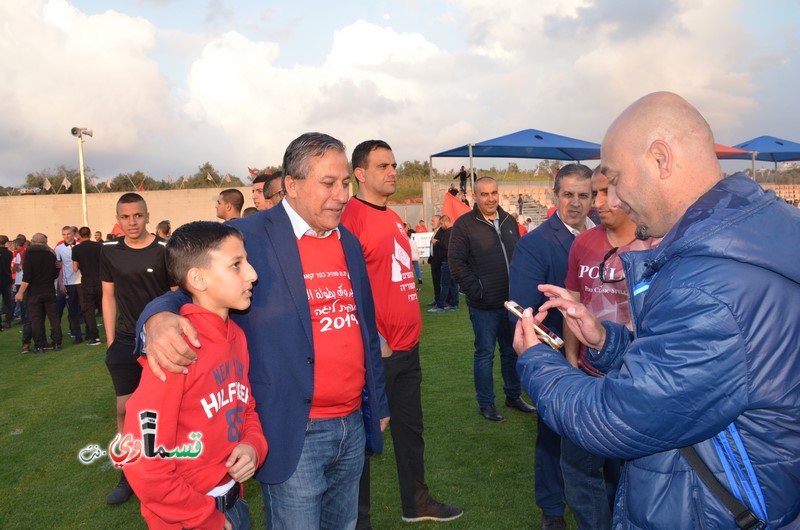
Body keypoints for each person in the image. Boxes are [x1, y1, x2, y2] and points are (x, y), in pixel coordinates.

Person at [514, 92, 800, 528]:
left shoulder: (713, 280)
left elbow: (617, 417)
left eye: (616, 178)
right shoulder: (741, 236)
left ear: (661, 159)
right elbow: (689, 368)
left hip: (710, 511)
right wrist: (608, 341)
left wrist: (536, 362)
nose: (614, 199)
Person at [136, 132, 390, 530]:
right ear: (292, 184)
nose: (341, 195)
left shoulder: (349, 242)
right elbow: (190, 276)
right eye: (328, 183)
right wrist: (156, 319)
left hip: (353, 423)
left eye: (346, 183)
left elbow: (365, 330)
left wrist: (379, 403)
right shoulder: (249, 236)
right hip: (294, 427)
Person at [343, 140, 462, 526]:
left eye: (394, 165)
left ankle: (417, 502)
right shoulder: (351, 219)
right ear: (360, 173)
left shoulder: (393, 217)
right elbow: (346, 288)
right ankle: (358, 519)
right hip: (378, 353)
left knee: (411, 431)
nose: (393, 171)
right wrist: (376, 340)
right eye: (383, 166)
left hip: (407, 348)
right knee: (362, 439)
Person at [122, 221, 268, 530]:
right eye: (236, 265)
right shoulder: (179, 346)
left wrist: (253, 444)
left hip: (233, 503)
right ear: (198, 279)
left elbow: (246, 407)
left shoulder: (237, 336)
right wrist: (205, 519)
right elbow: (143, 458)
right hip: (190, 518)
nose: (252, 273)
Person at [557, 167, 656, 530]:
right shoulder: (583, 243)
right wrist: (570, 359)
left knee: (636, 471)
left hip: (636, 380)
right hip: (588, 378)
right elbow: (574, 303)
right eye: (592, 194)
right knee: (579, 470)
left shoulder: (654, 245)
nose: (595, 204)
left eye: (602, 194)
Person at [509, 163, 594, 530]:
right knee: (552, 436)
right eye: (568, 195)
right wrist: (558, 357)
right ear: (555, 194)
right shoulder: (535, 243)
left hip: (605, 359)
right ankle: (552, 510)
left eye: (584, 195)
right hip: (560, 363)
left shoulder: (606, 238)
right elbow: (523, 310)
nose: (576, 203)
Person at [101, 193, 173, 505]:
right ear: (118, 219)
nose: (132, 222)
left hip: (159, 341)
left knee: (164, 411)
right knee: (125, 409)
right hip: (126, 340)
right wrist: (111, 342)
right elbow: (108, 297)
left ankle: (168, 470)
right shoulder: (109, 252)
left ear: (147, 216)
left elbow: (175, 296)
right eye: (125, 217)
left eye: (138, 216)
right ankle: (127, 473)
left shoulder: (163, 250)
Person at [448, 177, 535, 422]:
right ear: (475, 197)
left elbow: (518, 258)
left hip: (510, 305)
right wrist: (478, 290)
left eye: (494, 192)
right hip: (484, 306)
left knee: (511, 352)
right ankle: (486, 403)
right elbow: (456, 263)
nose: (490, 198)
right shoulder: (465, 225)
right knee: (485, 354)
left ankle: (513, 395)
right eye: (484, 194)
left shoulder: (508, 220)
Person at [15, 233, 61, 352]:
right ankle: (57, 343)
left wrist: (20, 292)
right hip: (49, 290)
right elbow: (55, 274)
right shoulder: (51, 255)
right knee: (53, 318)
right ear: (44, 242)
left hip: (34, 293)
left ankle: (39, 345)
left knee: (36, 320)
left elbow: (27, 277)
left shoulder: (29, 255)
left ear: (33, 242)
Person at [71, 226, 103, 346]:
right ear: (90, 234)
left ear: (79, 235)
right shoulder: (99, 246)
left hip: (87, 282)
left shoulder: (76, 249)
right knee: (106, 307)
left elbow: (75, 268)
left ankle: (95, 337)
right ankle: (114, 333)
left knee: (89, 310)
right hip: (100, 280)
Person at [55, 226, 84, 344]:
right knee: (72, 310)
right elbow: (59, 267)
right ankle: (77, 335)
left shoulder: (81, 245)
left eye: (68, 234)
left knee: (84, 308)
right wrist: (60, 283)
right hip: (69, 283)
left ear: (73, 234)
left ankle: (89, 332)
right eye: (64, 234)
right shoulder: (59, 248)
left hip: (82, 281)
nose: (67, 236)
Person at [426, 215, 458, 313]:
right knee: (453, 284)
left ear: (445, 222)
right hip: (451, 261)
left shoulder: (448, 232)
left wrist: (436, 242)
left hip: (447, 261)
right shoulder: (453, 231)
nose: (441, 226)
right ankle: (454, 304)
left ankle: (440, 306)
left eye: (441, 224)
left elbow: (445, 245)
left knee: (444, 284)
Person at [426, 215, 442, 307]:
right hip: (433, 260)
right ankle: (437, 298)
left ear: (439, 221)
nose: (431, 223)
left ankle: (442, 299)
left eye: (433, 221)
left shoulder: (441, 232)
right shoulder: (435, 232)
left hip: (439, 260)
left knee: (440, 280)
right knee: (435, 280)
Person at [0, 235, 13, 330]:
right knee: (8, 301)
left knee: (8, 301)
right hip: (7, 279)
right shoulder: (9, 253)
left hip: (3, 278)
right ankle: (8, 321)